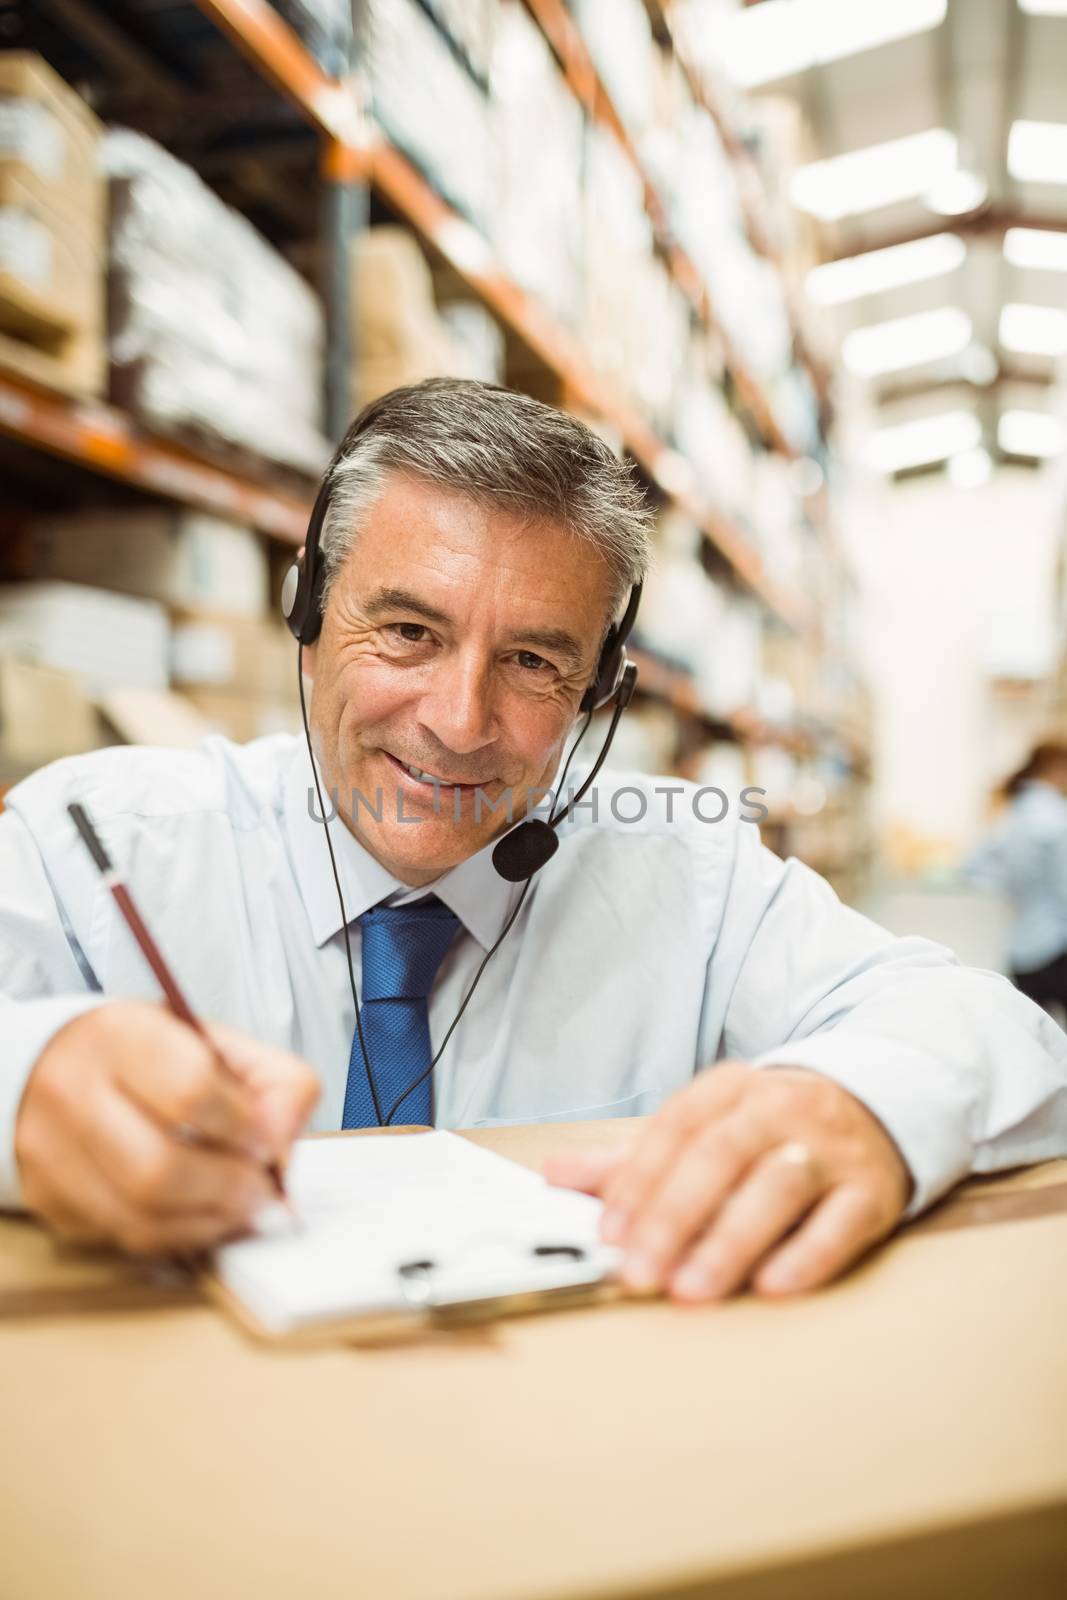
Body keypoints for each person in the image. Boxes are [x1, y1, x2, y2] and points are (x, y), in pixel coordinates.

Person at [2, 380, 1065, 1303]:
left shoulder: (688, 879)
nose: (458, 721)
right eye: (409, 632)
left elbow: (992, 1029)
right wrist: (32, 1083)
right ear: (310, 610)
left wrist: (859, 1107)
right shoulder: (95, 841)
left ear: (597, 689)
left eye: (530, 663)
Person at [966, 740, 1067, 1021]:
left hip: (1021, 947)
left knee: (1031, 1038)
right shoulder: (1057, 817)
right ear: (1058, 769)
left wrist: (1016, 891)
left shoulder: (1013, 814)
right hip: (1057, 947)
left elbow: (974, 867)